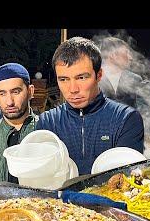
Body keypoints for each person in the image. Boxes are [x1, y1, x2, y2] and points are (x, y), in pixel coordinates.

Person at [36, 37, 144, 175]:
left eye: (81, 78)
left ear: (99, 75)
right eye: (63, 79)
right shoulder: (47, 123)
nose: (73, 89)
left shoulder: (126, 119)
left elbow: (126, 182)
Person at [98, 36, 143, 108]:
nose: (130, 58)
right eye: (126, 52)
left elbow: (141, 110)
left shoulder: (135, 79)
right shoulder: (93, 80)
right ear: (113, 55)